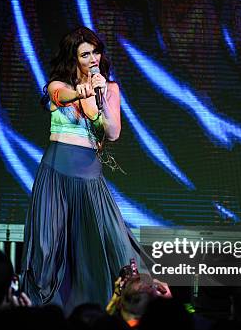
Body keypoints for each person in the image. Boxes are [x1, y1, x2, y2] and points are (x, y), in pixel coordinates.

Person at [20, 26, 149, 313]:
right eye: (85, 54)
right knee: (48, 246)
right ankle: (44, 314)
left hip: (89, 176)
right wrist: (79, 94)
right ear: (74, 58)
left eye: (95, 52)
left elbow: (113, 132)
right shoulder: (58, 85)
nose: (93, 58)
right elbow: (60, 97)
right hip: (56, 173)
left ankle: (103, 311)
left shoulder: (110, 89)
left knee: (106, 243)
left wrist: (99, 102)